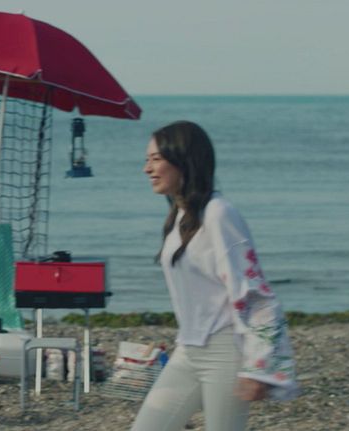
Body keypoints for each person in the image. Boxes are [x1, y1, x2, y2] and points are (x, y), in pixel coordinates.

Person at [131, 121, 298, 431]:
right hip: (188, 350)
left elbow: (255, 292)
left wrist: (258, 365)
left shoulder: (219, 213)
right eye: (147, 159)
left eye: (156, 159)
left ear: (184, 160)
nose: (147, 169)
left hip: (224, 352)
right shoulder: (181, 216)